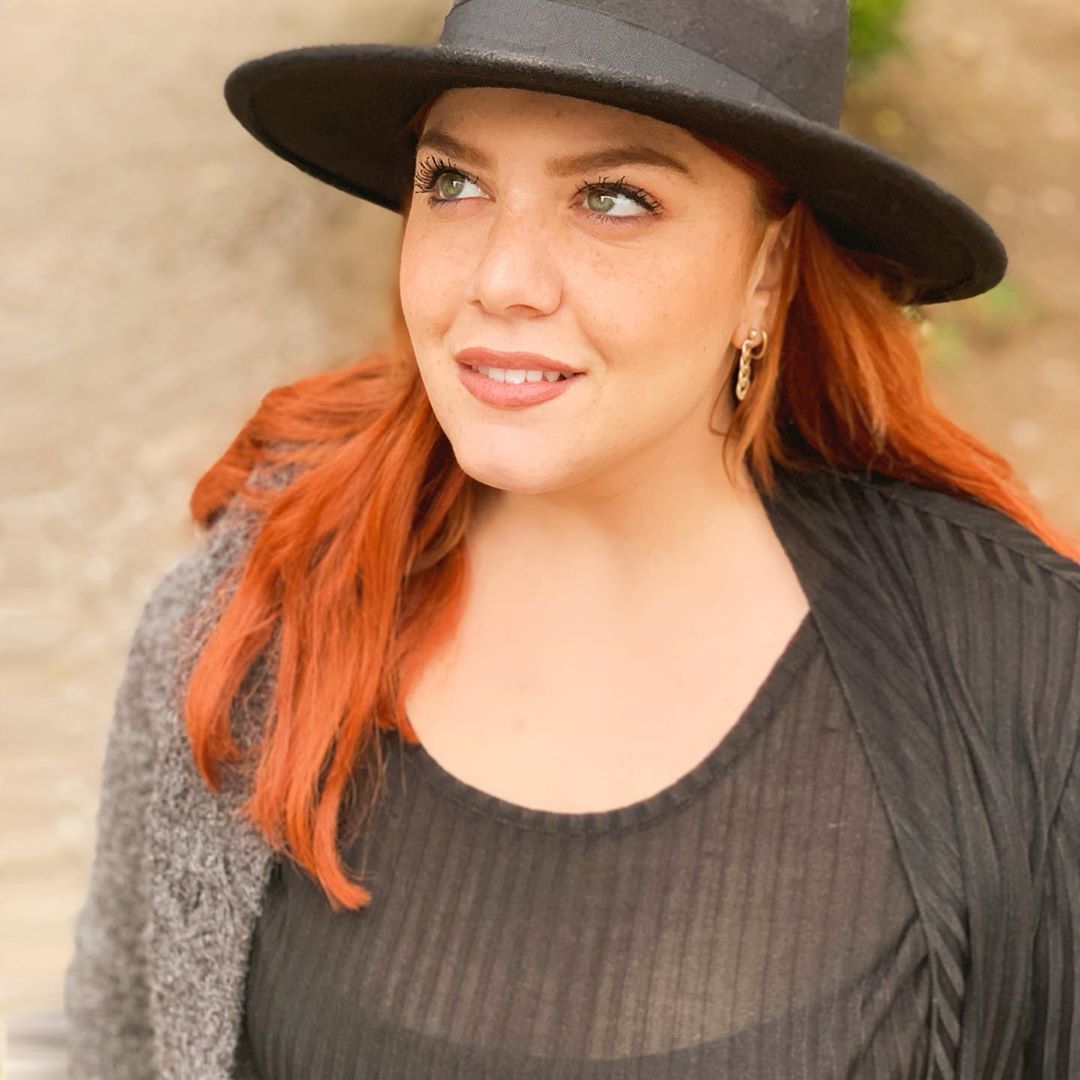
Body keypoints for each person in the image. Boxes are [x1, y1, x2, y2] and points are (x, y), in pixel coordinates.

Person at [64, 0, 1080, 1077]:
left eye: (613, 199)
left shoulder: (1027, 679)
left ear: (770, 270)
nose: (501, 278)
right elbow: (120, 1045)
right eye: (454, 183)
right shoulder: (259, 601)